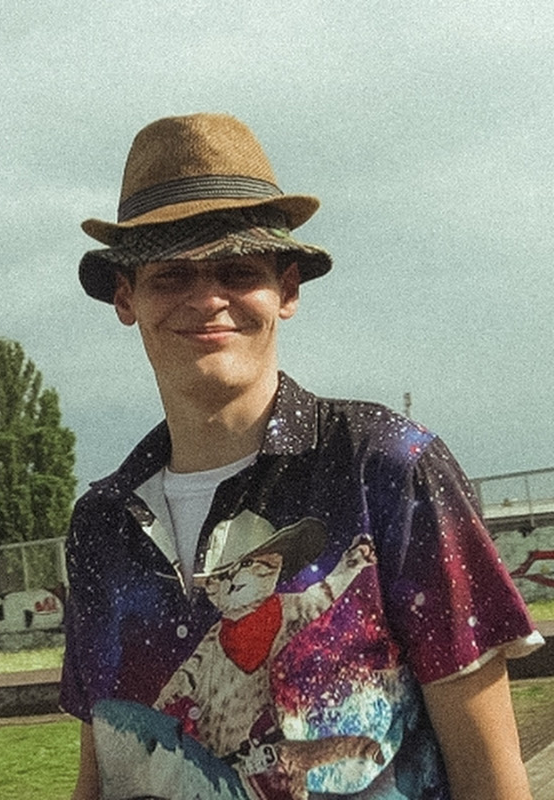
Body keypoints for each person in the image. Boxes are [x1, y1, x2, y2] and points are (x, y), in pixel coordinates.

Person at [60, 112, 543, 800]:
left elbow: (490, 774)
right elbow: (105, 767)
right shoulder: (102, 525)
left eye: (237, 270)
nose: (207, 298)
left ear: (286, 290)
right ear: (124, 296)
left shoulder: (389, 470)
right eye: (170, 275)